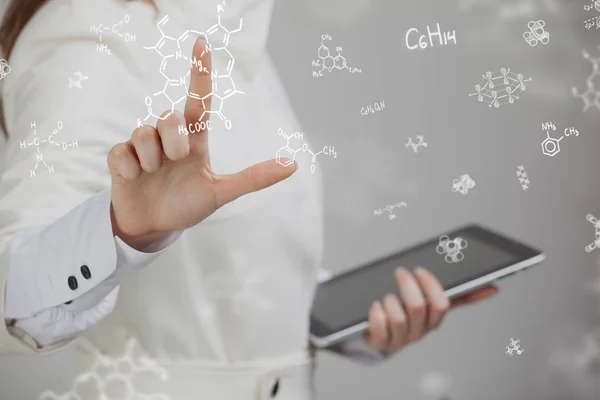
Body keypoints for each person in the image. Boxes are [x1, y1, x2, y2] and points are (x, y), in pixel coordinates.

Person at [0, 0, 498, 398]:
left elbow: (232, 268)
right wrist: (125, 230)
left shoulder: (222, 29)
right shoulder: (93, 33)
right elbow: (13, 291)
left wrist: (357, 322)